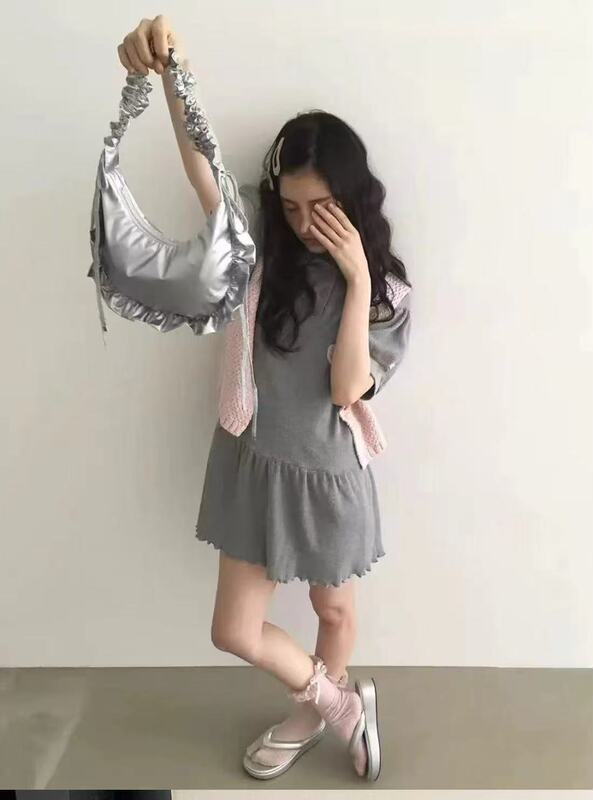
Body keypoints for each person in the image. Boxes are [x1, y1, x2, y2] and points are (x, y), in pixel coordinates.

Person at [118, 15, 413, 782]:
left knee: (333, 611)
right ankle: (339, 703)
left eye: (320, 207)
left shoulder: (385, 293)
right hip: (254, 461)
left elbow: (346, 389)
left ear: (350, 198)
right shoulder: (259, 243)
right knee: (234, 629)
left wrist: (355, 277)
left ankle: (312, 714)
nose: (303, 223)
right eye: (290, 206)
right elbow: (203, 170)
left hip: (328, 475)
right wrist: (172, 73)